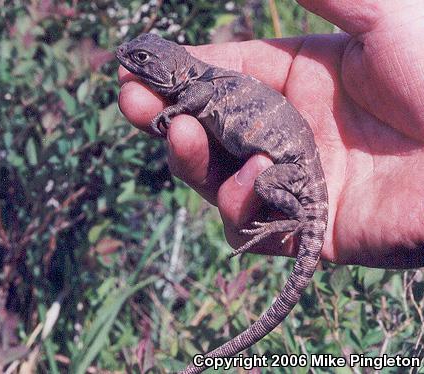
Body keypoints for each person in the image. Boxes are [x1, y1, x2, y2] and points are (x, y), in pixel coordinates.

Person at [117, 0, 424, 269]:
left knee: (263, 183)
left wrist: (174, 109)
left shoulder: (199, 83)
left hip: (297, 169)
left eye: (141, 58)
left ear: (171, 71)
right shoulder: (199, 79)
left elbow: (200, 93)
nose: (128, 59)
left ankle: (296, 218)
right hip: (296, 159)